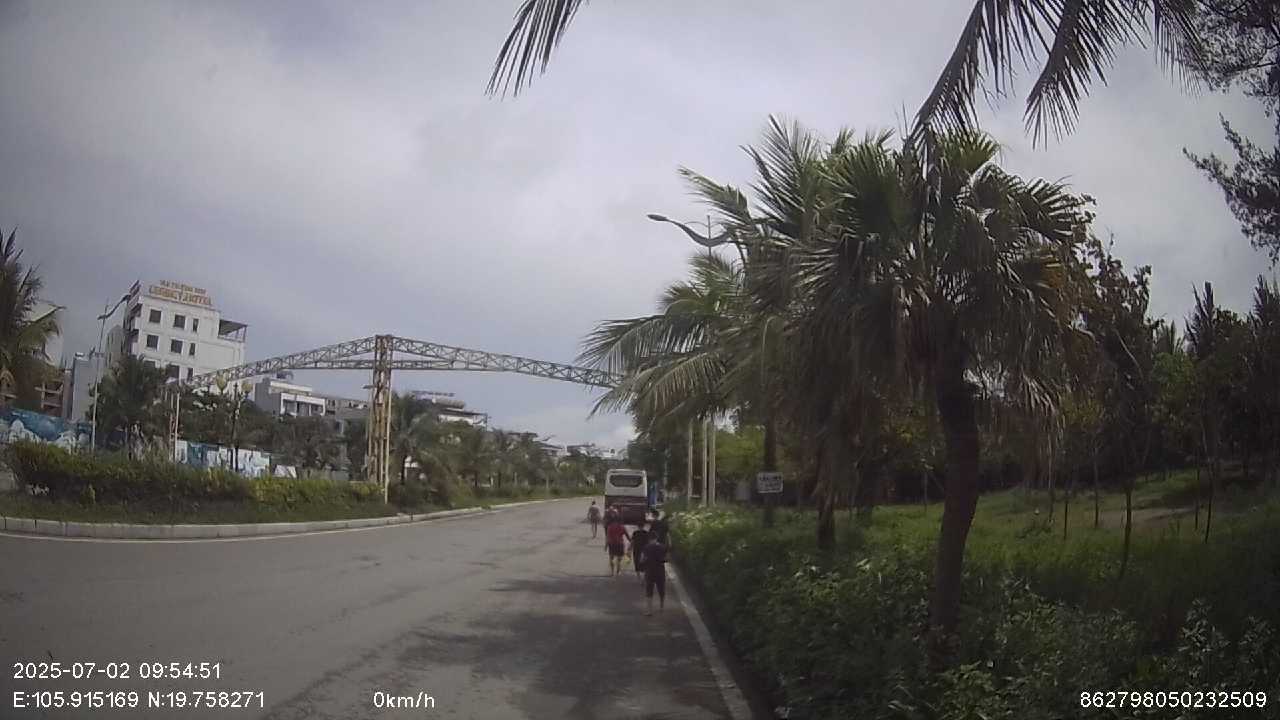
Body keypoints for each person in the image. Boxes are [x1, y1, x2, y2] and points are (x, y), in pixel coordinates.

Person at [640, 534, 668, 615]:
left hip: (650, 571)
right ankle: (661, 606)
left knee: (649, 591)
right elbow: (666, 559)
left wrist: (644, 561)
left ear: (649, 539)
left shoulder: (646, 547)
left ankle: (649, 610)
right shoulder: (662, 547)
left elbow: (642, 559)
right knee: (661, 589)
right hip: (660, 571)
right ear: (657, 538)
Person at [628, 520, 651, 584]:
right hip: (645, 551)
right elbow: (649, 542)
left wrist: (629, 549)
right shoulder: (646, 533)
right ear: (643, 526)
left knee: (637, 564)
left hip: (636, 550)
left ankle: (639, 579)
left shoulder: (635, 533)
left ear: (638, 526)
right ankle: (643, 579)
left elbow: (632, 542)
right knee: (645, 564)